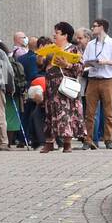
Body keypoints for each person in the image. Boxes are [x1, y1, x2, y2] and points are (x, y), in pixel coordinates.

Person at [40, 22, 84, 153]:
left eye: (57, 33)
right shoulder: (51, 49)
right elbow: (42, 66)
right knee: (50, 113)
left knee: (66, 114)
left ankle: (67, 143)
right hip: (51, 88)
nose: (54, 35)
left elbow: (81, 68)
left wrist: (68, 65)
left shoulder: (74, 49)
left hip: (66, 88)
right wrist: (41, 59)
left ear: (65, 35)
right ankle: (49, 142)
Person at [82, 19, 112, 150]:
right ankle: (88, 139)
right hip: (93, 79)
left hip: (108, 80)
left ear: (102, 28)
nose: (92, 28)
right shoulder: (90, 44)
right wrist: (91, 63)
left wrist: (106, 62)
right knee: (89, 112)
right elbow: (84, 61)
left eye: (94, 26)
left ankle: (108, 139)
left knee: (108, 111)